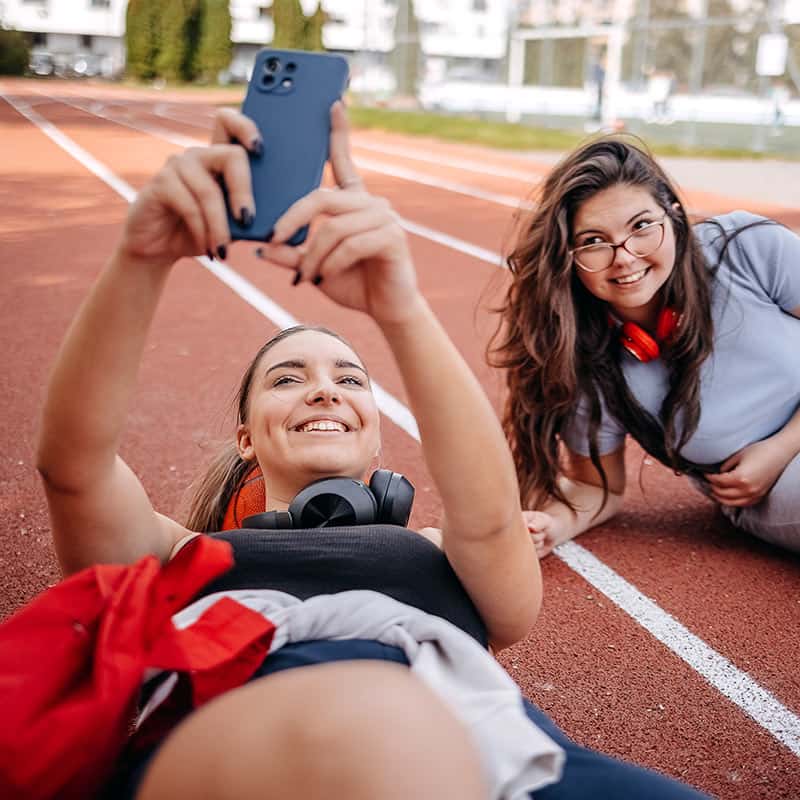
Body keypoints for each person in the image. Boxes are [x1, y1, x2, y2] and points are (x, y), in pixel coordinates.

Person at [33, 104, 710, 799]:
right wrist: (139, 258)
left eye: (349, 379)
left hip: (491, 754)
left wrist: (400, 305)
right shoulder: (178, 557)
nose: (324, 392)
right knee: (364, 730)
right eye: (289, 379)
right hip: (243, 742)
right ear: (245, 437)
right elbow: (73, 469)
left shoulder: (446, 553)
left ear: (378, 435)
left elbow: (492, 517)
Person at [491, 136, 800, 559]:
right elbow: (595, 484)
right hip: (774, 491)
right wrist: (553, 524)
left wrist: (783, 444)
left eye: (641, 227)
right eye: (594, 241)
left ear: (672, 215)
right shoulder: (588, 359)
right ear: (567, 255)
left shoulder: (745, 248)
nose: (625, 256)